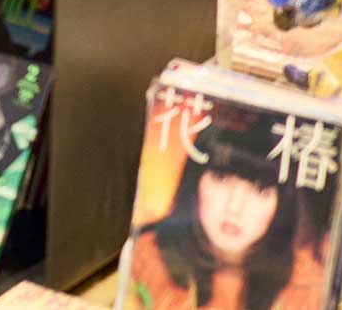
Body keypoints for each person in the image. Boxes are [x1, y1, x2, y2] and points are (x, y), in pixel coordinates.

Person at [122, 112, 331, 310]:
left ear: (283, 203)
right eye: (221, 178)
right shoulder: (147, 256)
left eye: (260, 190)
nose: (234, 207)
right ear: (194, 180)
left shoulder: (309, 286)